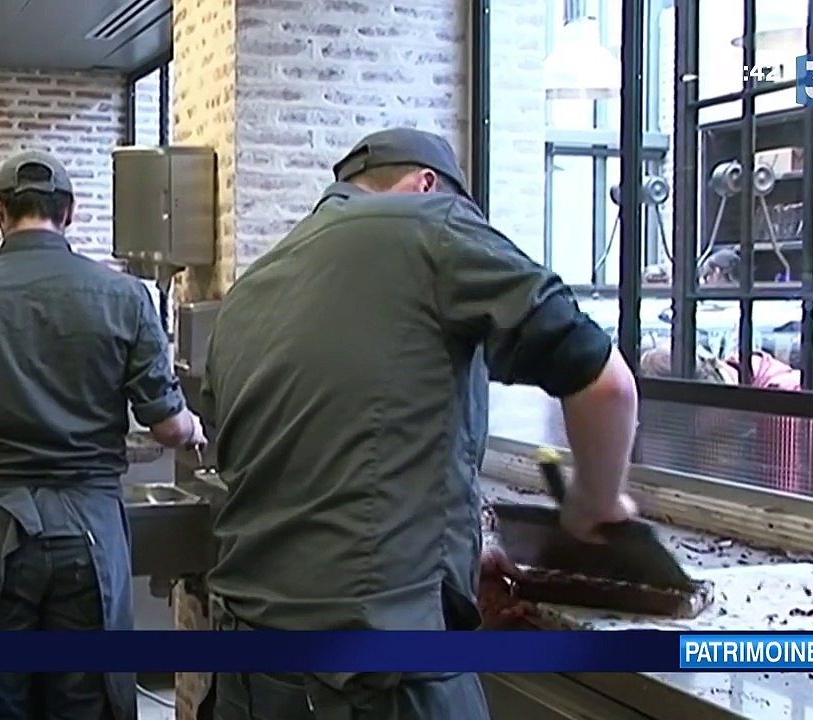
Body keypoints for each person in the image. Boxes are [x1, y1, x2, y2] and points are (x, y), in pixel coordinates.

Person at [196, 129, 641, 719]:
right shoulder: (431, 227)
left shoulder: (249, 289)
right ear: (426, 185)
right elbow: (606, 384)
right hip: (374, 683)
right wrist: (594, 505)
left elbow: (303, 471)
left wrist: (448, 560)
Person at [0, 150, 206, 720]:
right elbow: (168, 424)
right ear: (70, 212)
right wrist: (193, 425)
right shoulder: (125, 298)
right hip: (88, 530)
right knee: (86, 697)